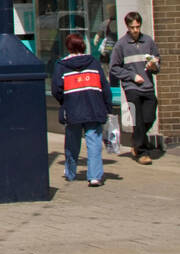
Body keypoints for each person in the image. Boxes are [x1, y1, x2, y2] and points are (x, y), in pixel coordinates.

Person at [52, 33, 113, 186]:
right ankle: (94, 176)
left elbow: (55, 89)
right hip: (94, 108)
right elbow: (104, 87)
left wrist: (64, 101)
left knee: (72, 144)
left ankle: (70, 173)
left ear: (68, 47)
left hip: (72, 110)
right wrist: (108, 107)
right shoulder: (93, 63)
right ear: (83, 46)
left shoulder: (61, 66)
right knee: (94, 143)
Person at [109, 11, 162, 163]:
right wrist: (132, 77)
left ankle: (136, 139)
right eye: (132, 27)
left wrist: (154, 66)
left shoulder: (148, 42)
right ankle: (142, 152)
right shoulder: (121, 45)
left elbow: (158, 63)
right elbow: (114, 68)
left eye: (137, 27)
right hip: (131, 87)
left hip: (148, 85)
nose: (135, 30)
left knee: (149, 116)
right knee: (137, 118)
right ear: (127, 27)